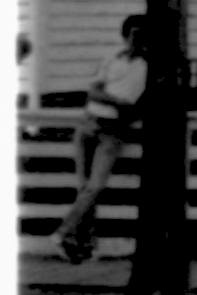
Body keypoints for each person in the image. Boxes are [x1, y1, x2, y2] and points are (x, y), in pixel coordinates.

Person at [52, 16, 149, 264]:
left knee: (95, 186)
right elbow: (93, 92)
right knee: (85, 188)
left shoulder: (149, 66)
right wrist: (116, 101)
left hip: (114, 129)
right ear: (125, 35)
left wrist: (117, 103)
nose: (136, 39)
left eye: (141, 34)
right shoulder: (111, 58)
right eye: (132, 34)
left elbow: (136, 105)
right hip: (89, 123)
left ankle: (63, 232)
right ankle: (83, 245)